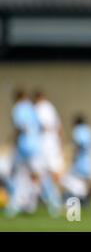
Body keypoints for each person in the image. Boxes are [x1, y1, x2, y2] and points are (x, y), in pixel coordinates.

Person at [5, 88, 43, 217]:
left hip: (24, 147)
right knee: (35, 176)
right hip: (36, 146)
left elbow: (20, 127)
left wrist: (13, 141)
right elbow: (40, 127)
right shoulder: (32, 108)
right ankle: (31, 203)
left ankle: (16, 204)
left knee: (18, 176)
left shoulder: (18, 108)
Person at [33, 90, 64, 215]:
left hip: (44, 147)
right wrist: (61, 144)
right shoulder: (50, 107)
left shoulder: (39, 108)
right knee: (52, 175)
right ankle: (55, 202)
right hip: (52, 146)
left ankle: (52, 202)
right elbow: (59, 127)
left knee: (40, 175)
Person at [62, 114, 91, 202]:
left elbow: (78, 144)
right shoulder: (89, 130)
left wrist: (74, 157)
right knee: (88, 181)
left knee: (74, 178)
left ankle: (79, 198)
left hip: (81, 159)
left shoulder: (78, 130)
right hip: (89, 158)